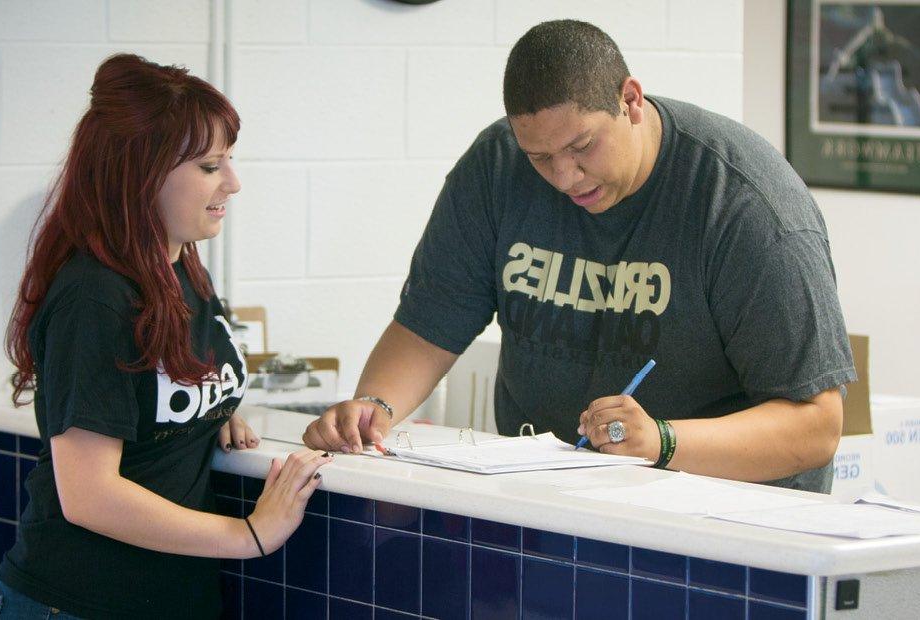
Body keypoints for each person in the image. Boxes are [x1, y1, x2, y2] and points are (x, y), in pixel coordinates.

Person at [302, 20, 855, 492]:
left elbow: (816, 426)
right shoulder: (498, 168)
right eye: (540, 156)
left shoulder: (744, 205)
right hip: (555, 493)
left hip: (724, 516)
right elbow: (429, 326)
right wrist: (372, 410)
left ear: (630, 101)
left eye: (582, 146)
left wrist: (661, 441)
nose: (565, 177)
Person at [0, 54, 328, 619]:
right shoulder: (94, 295)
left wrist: (211, 411)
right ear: (141, 172)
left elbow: (154, 400)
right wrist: (250, 534)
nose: (233, 183)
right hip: (71, 603)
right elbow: (89, 495)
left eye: (229, 161)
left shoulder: (183, 270)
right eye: (209, 166)